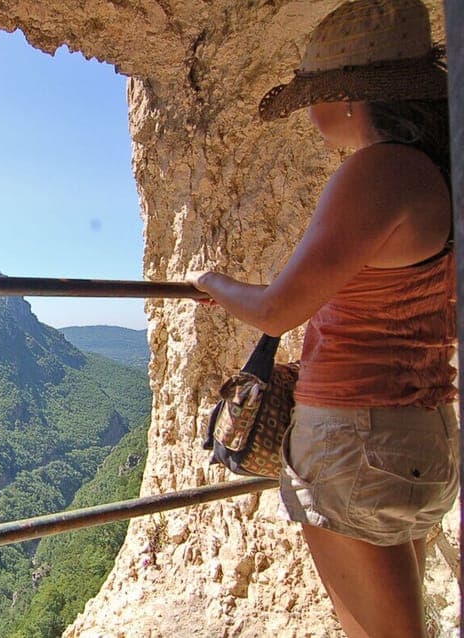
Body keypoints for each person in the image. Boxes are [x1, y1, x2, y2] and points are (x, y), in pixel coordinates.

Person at [187, 0, 457, 636]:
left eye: (316, 94)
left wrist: (213, 281)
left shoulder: (379, 172)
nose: (311, 113)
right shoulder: (438, 172)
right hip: (415, 429)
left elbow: (282, 306)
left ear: (349, 98)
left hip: (357, 437)